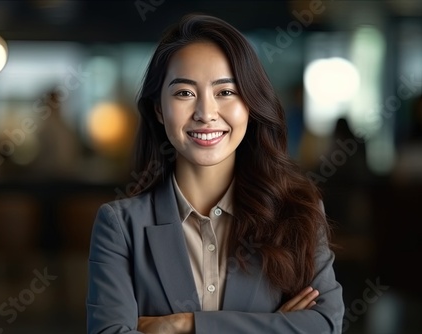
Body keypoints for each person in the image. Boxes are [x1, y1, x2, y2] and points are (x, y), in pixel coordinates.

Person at [86, 13, 344, 333]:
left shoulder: (296, 210)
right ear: (158, 108)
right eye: (184, 93)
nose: (206, 114)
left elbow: (324, 324)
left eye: (225, 92)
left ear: (250, 103)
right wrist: (275, 326)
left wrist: (186, 324)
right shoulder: (120, 226)